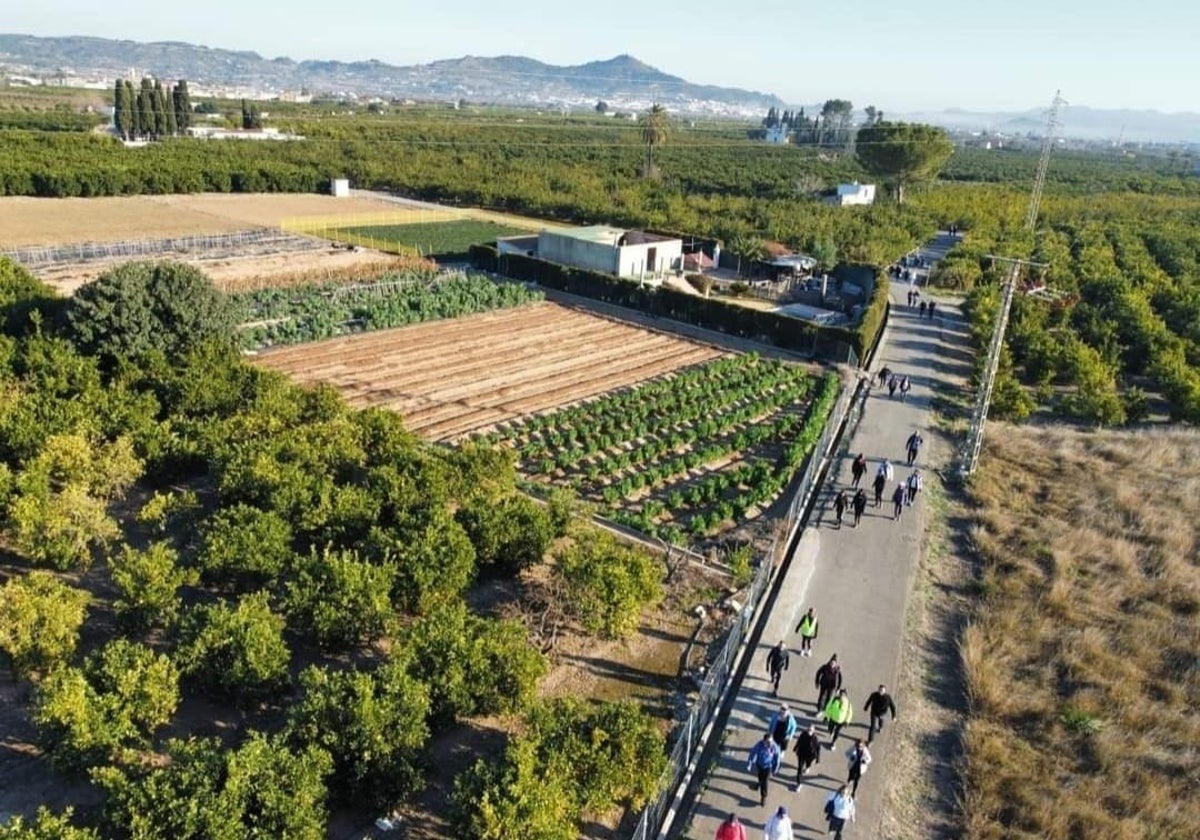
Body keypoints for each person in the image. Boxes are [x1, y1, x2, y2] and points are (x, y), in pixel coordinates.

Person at [747, 733, 781, 806]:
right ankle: (759, 783)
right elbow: (752, 753)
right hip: (759, 765)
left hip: (768, 766)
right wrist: (750, 763)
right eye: (768, 742)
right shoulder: (759, 745)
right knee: (760, 777)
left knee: (765, 781)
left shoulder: (774, 747)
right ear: (764, 741)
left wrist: (775, 768)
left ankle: (763, 796)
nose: (770, 744)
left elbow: (777, 758)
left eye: (771, 742)